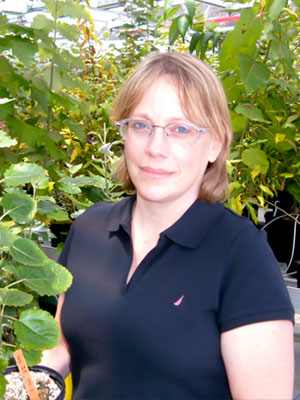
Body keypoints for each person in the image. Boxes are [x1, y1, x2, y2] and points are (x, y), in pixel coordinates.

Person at [42, 51, 295, 400]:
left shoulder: (240, 255)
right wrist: (28, 379)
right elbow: (62, 345)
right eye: (142, 125)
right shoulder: (89, 229)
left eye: (180, 129)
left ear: (215, 144)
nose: (155, 148)